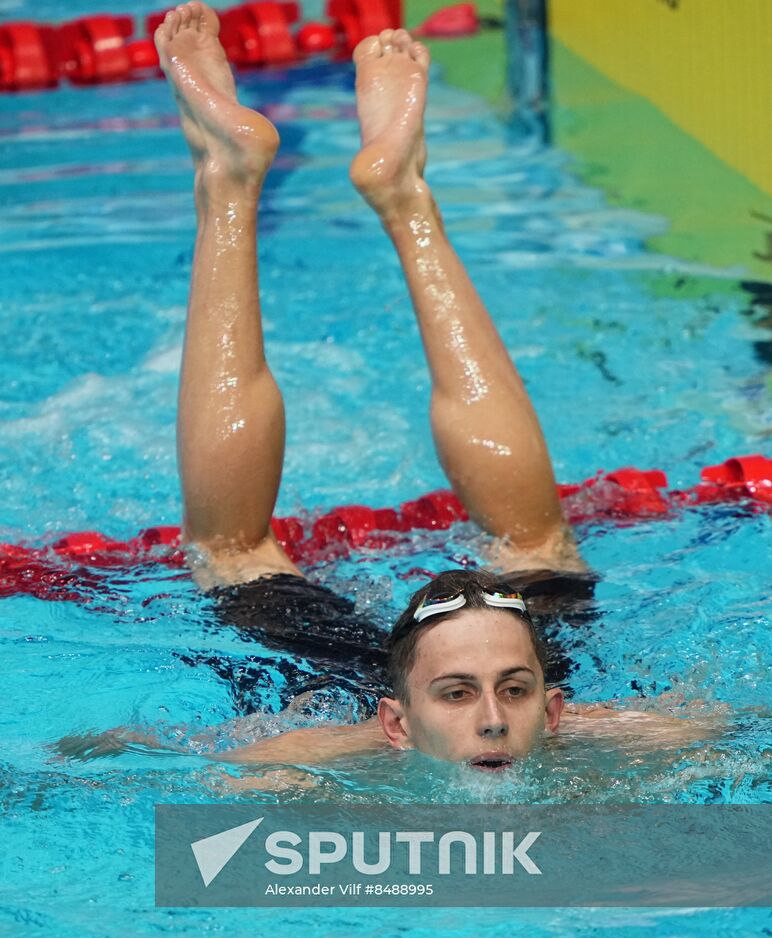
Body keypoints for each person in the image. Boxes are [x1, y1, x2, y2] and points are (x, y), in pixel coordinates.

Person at [55, 3, 721, 775]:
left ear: (556, 708)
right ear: (397, 725)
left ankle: (234, 177)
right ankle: (391, 198)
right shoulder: (325, 757)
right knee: (537, 543)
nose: (495, 723)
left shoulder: (312, 755)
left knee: (233, 553)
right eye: (457, 694)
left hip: (355, 684)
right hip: (363, 702)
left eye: (515, 690)